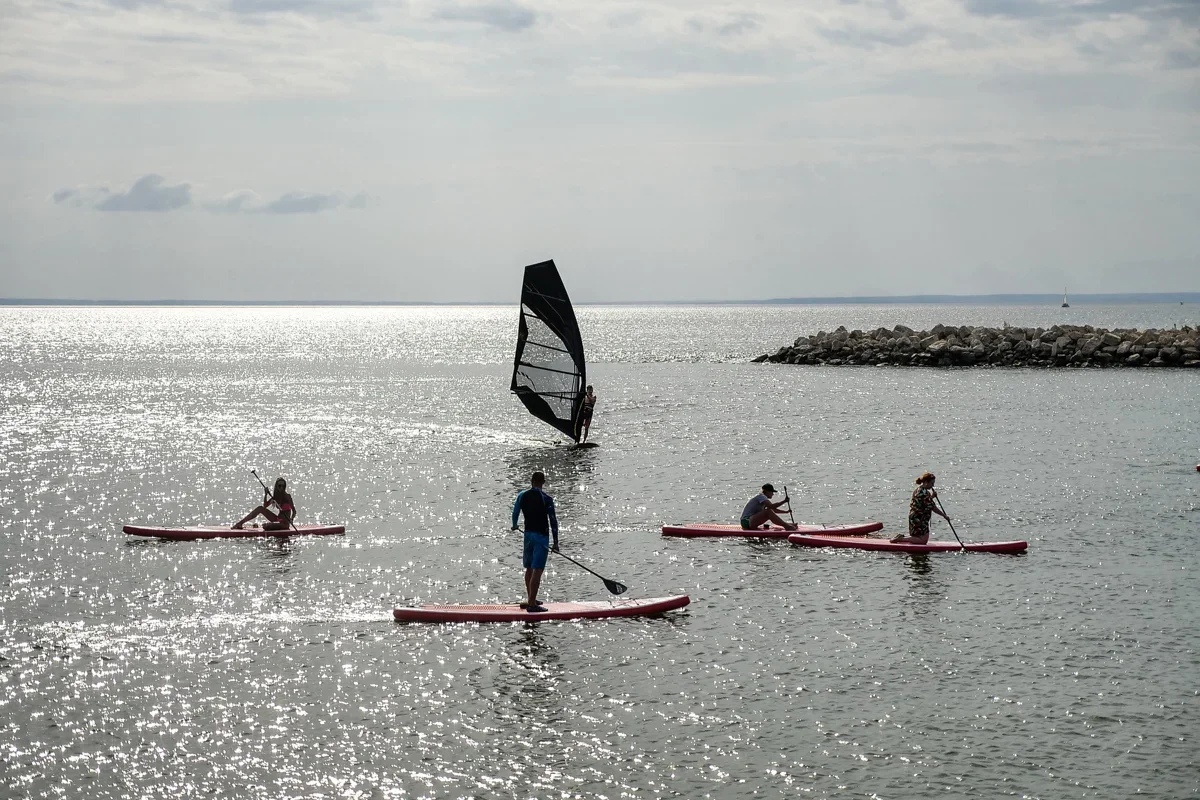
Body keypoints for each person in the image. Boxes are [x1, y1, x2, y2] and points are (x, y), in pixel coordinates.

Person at [511, 471, 560, 612]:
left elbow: (515, 512)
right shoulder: (546, 499)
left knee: (529, 568)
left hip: (528, 536)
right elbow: (553, 522)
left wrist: (514, 525)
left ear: (531, 481)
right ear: (543, 482)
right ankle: (532, 604)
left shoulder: (522, 495)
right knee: (537, 570)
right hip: (541, 538)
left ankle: (530, 598)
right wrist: (556, 543)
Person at [891, 472, 949, 544]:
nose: (933, 486)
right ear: (925, 482)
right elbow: (933, 507)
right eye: (931, 483)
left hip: (917, 517)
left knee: (919, 537)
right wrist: (944, 516)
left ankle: (901, 537)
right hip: (919, 519)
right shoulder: (923, 493)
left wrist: (932, 497)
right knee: (923, 541)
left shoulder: (920, 490)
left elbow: (924, 503)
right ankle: (901, 539)